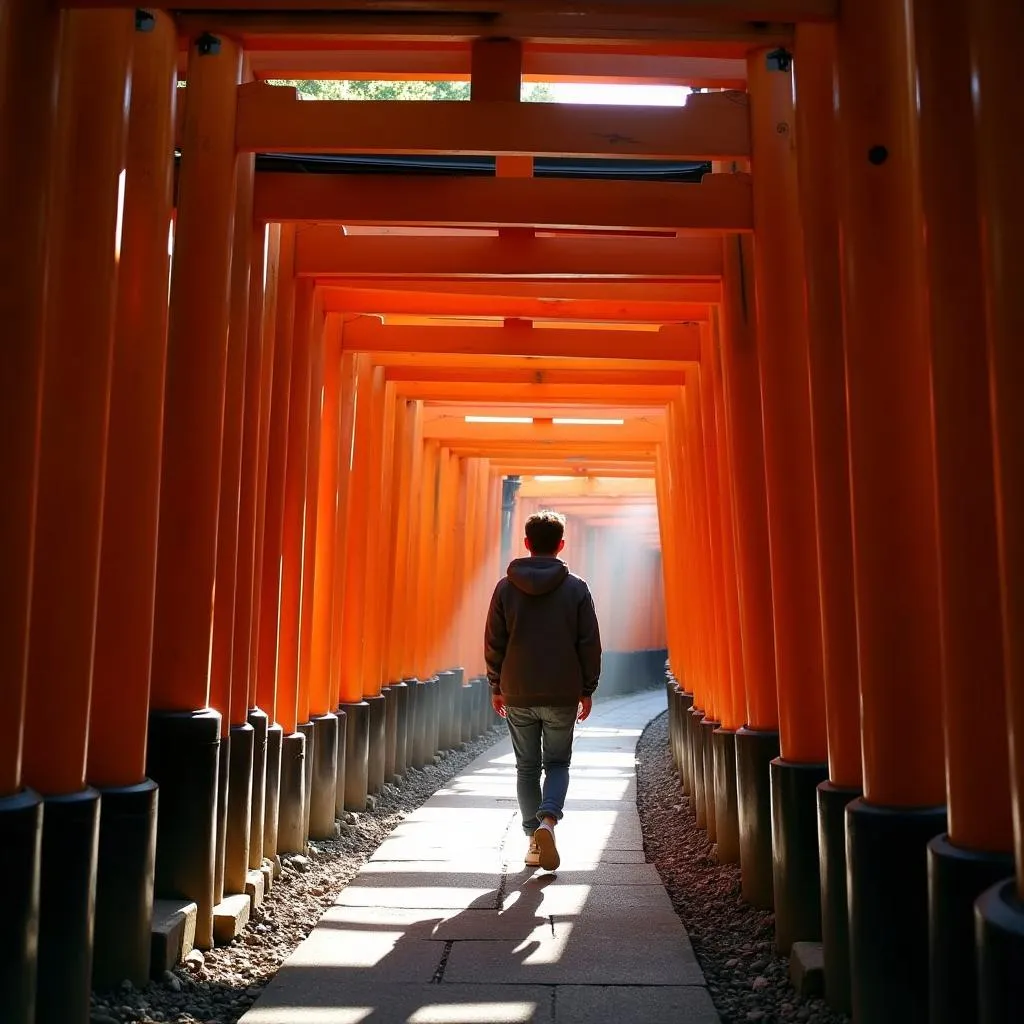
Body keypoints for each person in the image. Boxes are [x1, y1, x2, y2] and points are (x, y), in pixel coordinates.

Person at [484, 509, 602, 871]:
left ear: (527, 543)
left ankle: (533, 837)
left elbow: (494, 642)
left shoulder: (505, 588)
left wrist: (495, 685)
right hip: (562, 690)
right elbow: (589, 644)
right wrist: (587, 688)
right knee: (557, 763)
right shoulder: (577, 588)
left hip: (518, 689)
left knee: (526, 768)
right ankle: (548, 822)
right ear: (561, 544)